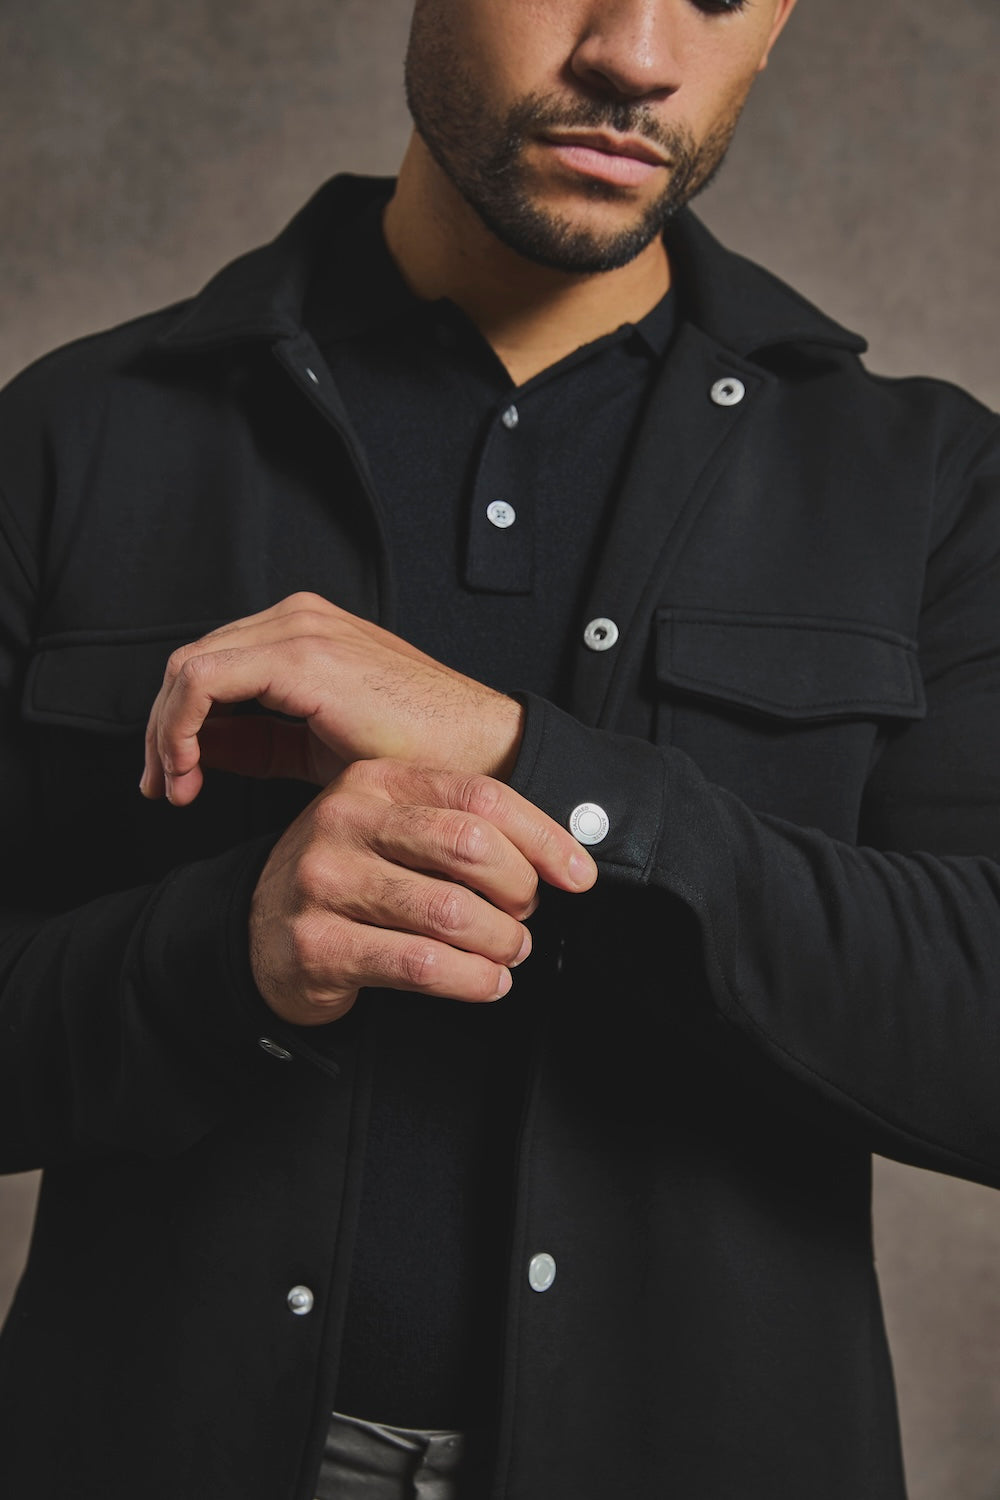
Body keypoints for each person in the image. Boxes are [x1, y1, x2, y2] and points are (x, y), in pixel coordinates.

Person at [1, 0, 999, 1496]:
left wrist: (531, 764)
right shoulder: (72, 436)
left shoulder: (930, 484)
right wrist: (228, 948)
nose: (638, 56)